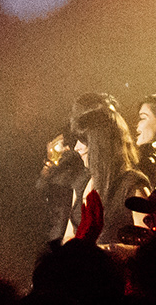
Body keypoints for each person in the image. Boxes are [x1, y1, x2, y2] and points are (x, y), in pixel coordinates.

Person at [51, 105, 145, 245]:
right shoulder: (82, 183)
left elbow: (149, 244)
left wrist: (108, 250)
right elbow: (69, 235)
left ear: (100, 144)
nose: (76, 147)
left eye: (83, 141)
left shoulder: (131, 185)